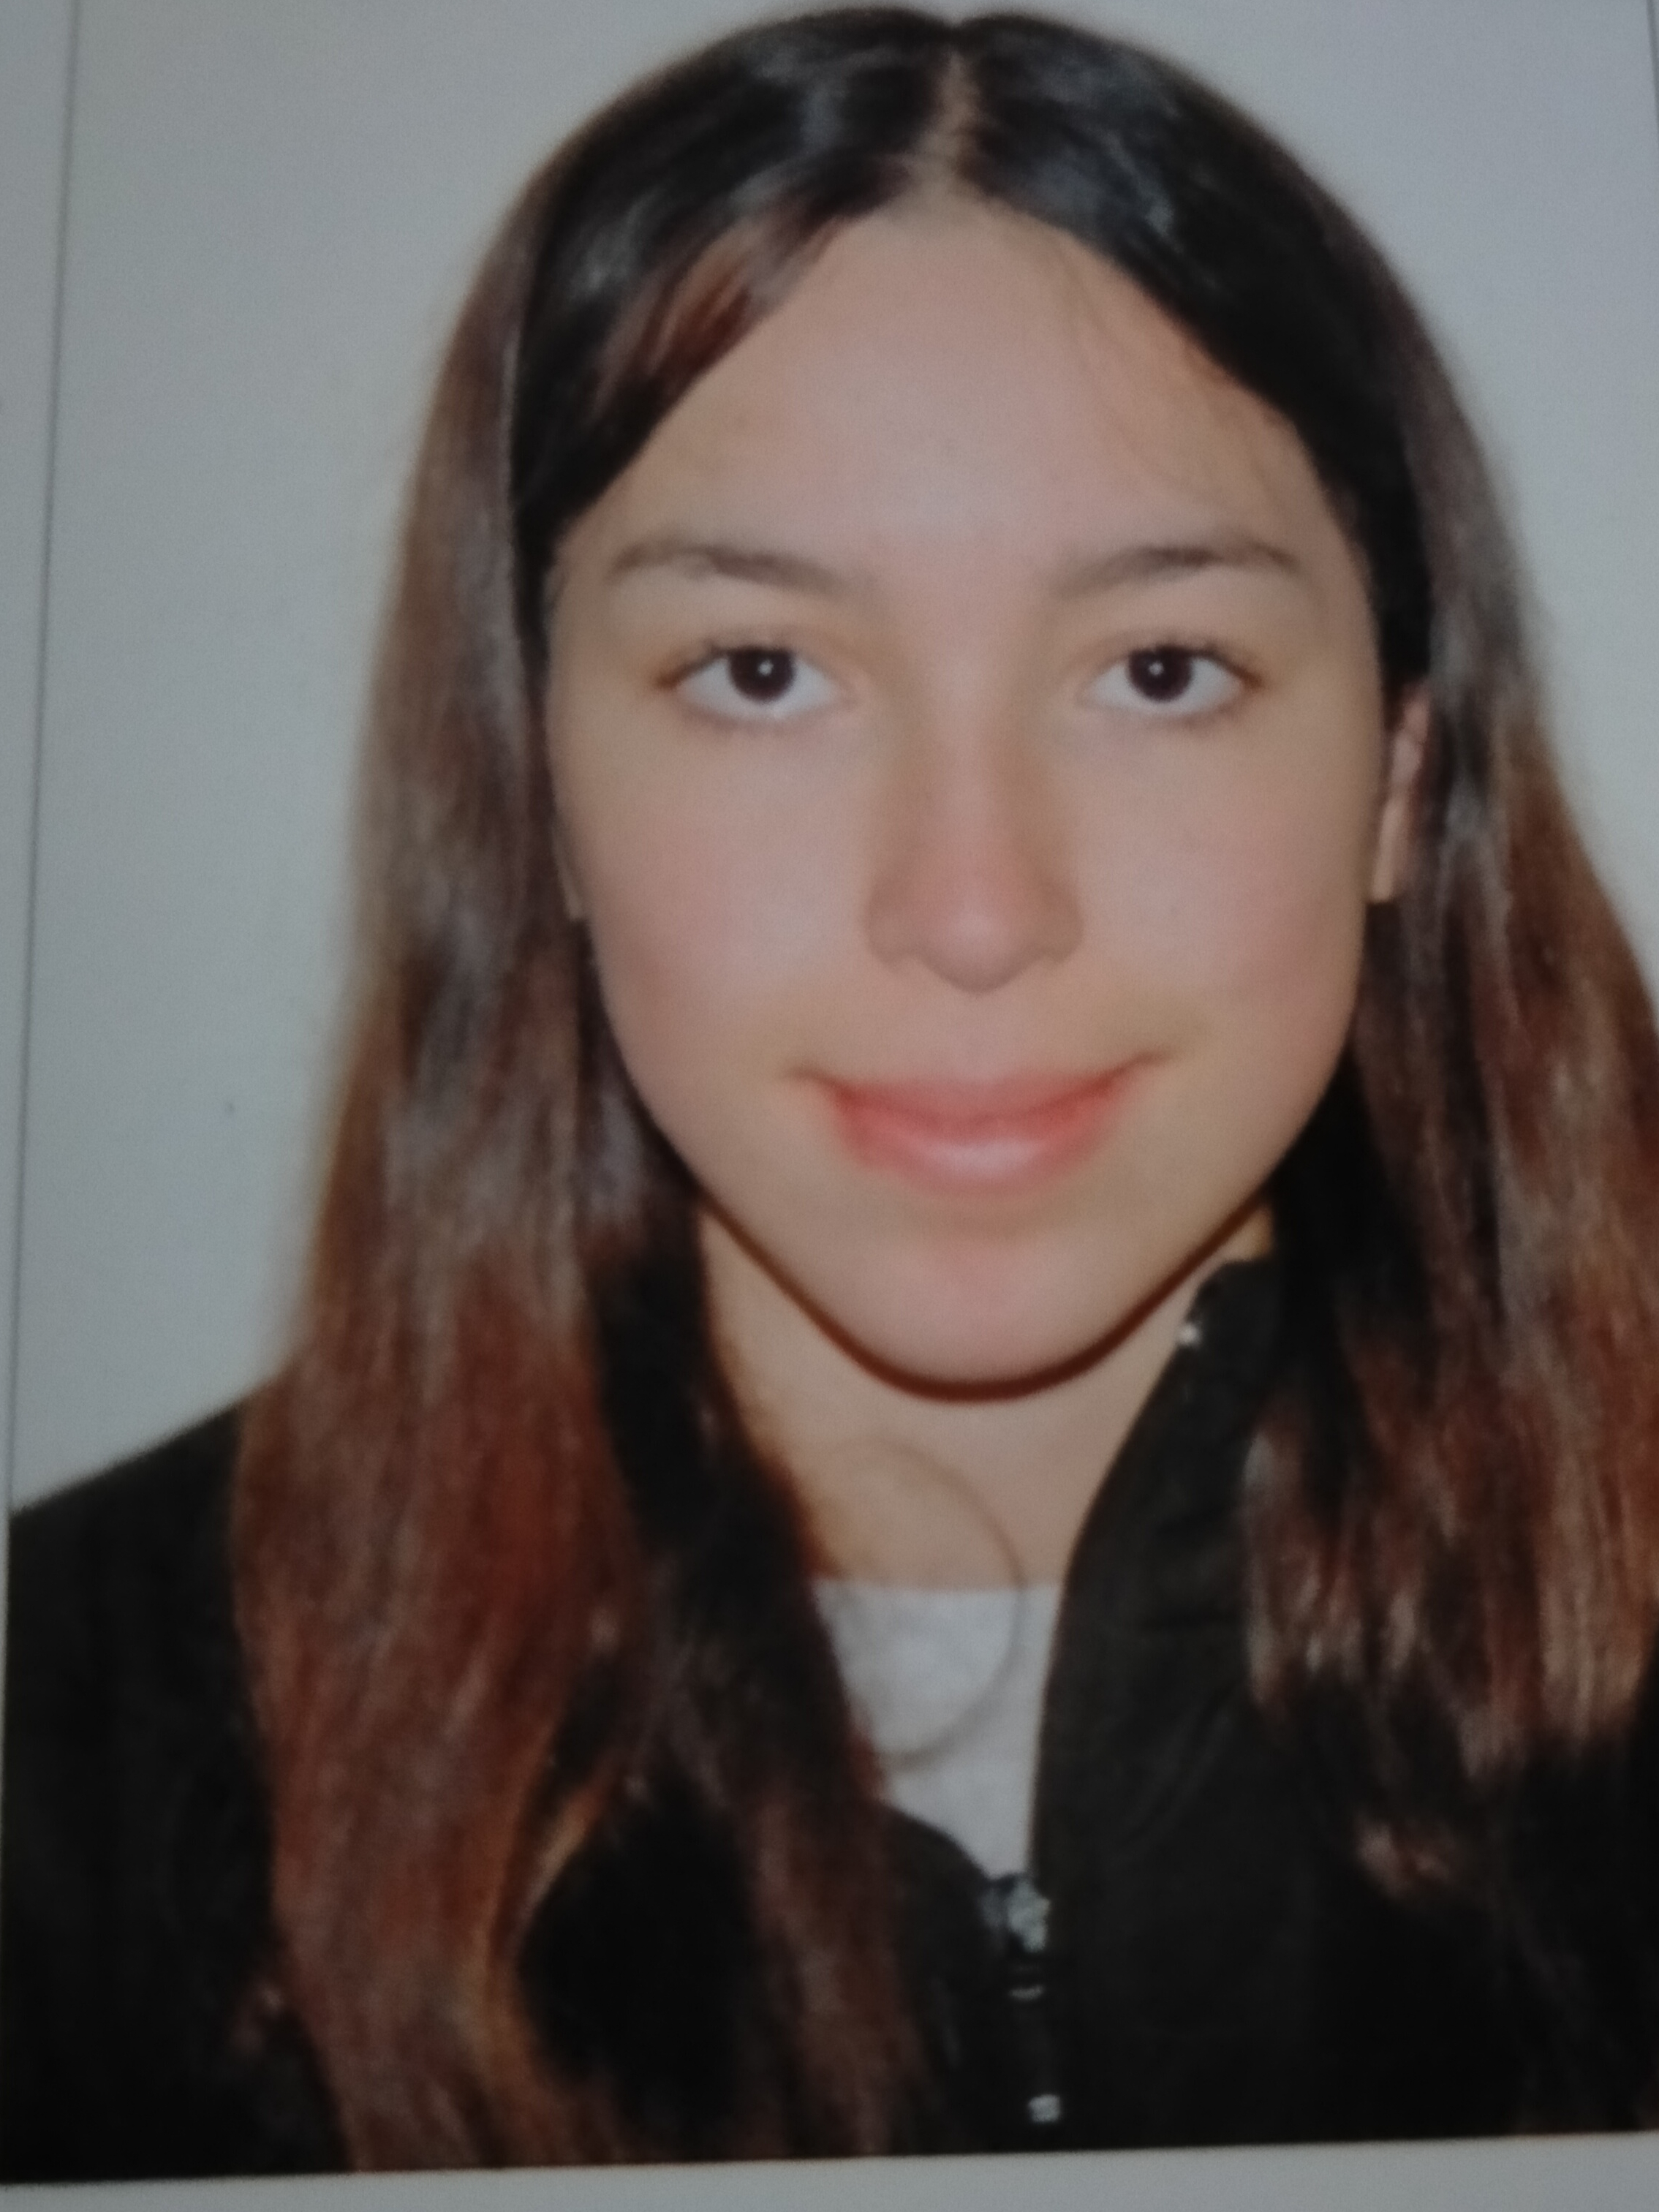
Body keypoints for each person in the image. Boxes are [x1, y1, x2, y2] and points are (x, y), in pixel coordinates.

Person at [6, 2, 1659, 2180]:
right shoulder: (60, 1746)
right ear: (536, 789)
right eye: (762, 672)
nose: (971, 910)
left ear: (1400, 780)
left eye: (1162, 670)